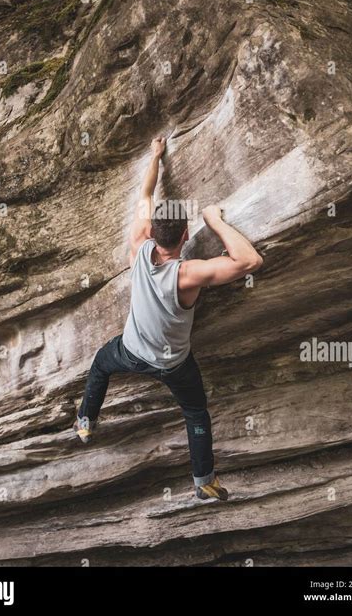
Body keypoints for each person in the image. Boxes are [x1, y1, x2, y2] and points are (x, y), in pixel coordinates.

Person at [74, 136, 263, 500]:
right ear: (186, 236)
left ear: (151, 232)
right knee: (195, 413)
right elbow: (249, 262)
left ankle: (85, 421)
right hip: (174, 364)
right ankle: (203, 480)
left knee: (100, 364)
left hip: (131, 352)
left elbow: (145, 195)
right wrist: (215, 220)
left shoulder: (137, 246)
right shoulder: (187, 274)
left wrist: (155, 156)